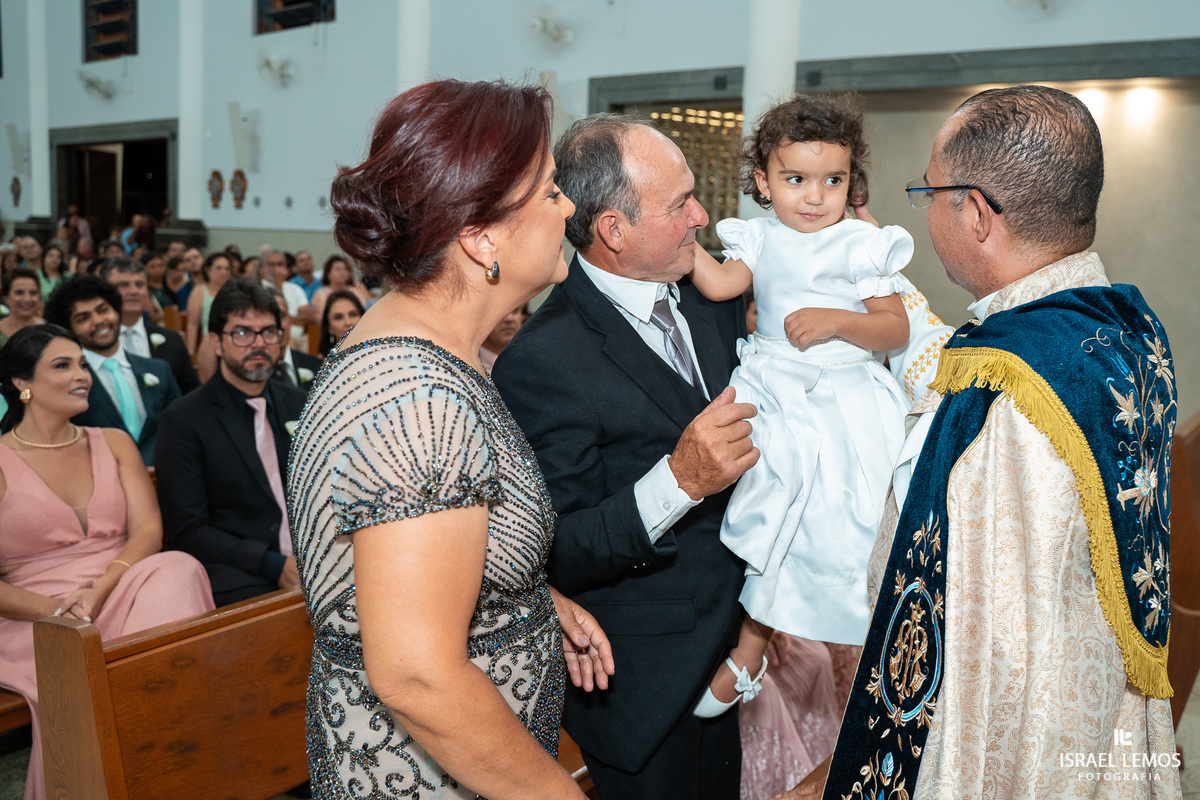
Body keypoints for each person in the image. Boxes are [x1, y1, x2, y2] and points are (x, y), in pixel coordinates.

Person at [794, 85, 1182, 800]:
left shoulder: (1007, 396)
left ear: (975, 212)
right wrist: (877, 278)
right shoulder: (1117, 333)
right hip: (1097, 726)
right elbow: (948, 364)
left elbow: (994, 656)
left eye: (929, 193)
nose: (926, 211)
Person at [291, 79, 614, 800]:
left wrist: (526, 598)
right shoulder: (421, 403)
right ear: (481, 236)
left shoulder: (424, 350)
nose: (569, 208)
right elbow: (418, 675)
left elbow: (416, 550)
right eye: (551, 191)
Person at [493, 114, 758, 799]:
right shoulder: (543, 359)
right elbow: (558, 548)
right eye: (679, 204)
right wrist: (679, 480)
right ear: (613, 229)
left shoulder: (710, 299)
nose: (701, 216)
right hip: (645, 686)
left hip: (736, 648)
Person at [686, 93, 912, 715]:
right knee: (773, 506)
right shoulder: (758, 238)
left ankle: (881, 646)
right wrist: (683, 241)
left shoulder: (859, 244)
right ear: (763, 182)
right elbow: (722, 284)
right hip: (773, 389)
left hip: (841, 395)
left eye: (832, 180)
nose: (815, 197)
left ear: (850, 180)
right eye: (795, 180)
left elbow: (894, 328)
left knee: (847, 520)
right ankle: (750, 649)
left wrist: (838, 321)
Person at [0, 324, 213, 800]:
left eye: (82, 364)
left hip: (122, 589)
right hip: (35, 616)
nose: (82, 375)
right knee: (86, 670)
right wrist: (57, 611)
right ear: (21, 382)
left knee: (179, 566)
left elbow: (148, 532)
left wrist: (99, 590)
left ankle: (164, 765)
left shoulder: (113, 442)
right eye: (63, 365)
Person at [155, 278, 308, 606]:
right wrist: (272, 564)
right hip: (240, 572)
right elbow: (188, 530)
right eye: (242, 333)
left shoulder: (299, 402)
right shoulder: (183, 420)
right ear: (216, 342)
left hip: (314, 558)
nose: (258, 344)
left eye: (268, 332)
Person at [43, 276, 181, 467]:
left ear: (116, 311)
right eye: (83, 318)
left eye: (103, 310)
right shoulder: (65, 382)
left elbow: (178, 427)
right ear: (69, 329)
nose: (99, 321)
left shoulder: (159, 370)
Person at [103, 257, 200, 393]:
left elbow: (191, 391)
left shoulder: (171, 340)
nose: (134, 291)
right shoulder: (91, 343)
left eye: (140, 285)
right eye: (124, 285)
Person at [264, 285, 322, 389]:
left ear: (290, 320)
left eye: (281, 315)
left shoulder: (317, 367)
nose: (277, 324)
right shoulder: (252, 373)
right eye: (269, 317)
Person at [261, 248, 315, 345]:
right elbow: (276, 316)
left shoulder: (294, 288)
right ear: (263, 267)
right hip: (271, 340)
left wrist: (288, 318)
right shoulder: (258, 287)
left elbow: (309, 317)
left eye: (280, 264)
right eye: (272, 264)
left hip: (299, 340)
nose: (276, 268)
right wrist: (279, 284)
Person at [184, 251, 231, 354]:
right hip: (210, 344)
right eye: (218, 268)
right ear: (208, 270)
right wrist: (191, 352)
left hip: (232, 341)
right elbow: (192, 324)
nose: (223, 272)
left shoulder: (233, 291)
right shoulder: (199, 291)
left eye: (227, 268)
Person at [0, 268, 45, 348]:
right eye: (19, 292)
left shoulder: (49, 331)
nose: (27, 299)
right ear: (6, 297)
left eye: (33, 293)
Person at [316, 287, 363, 357]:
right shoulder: (322, 362)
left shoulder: (377, 353)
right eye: (338, 318)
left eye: (353, 314)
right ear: (329, 327)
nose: (348, 322)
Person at [478, 303, 525, 374]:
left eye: (515, 309)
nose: (509, 319)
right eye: (499, 311)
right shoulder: (467, 369)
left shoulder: (532, 364)